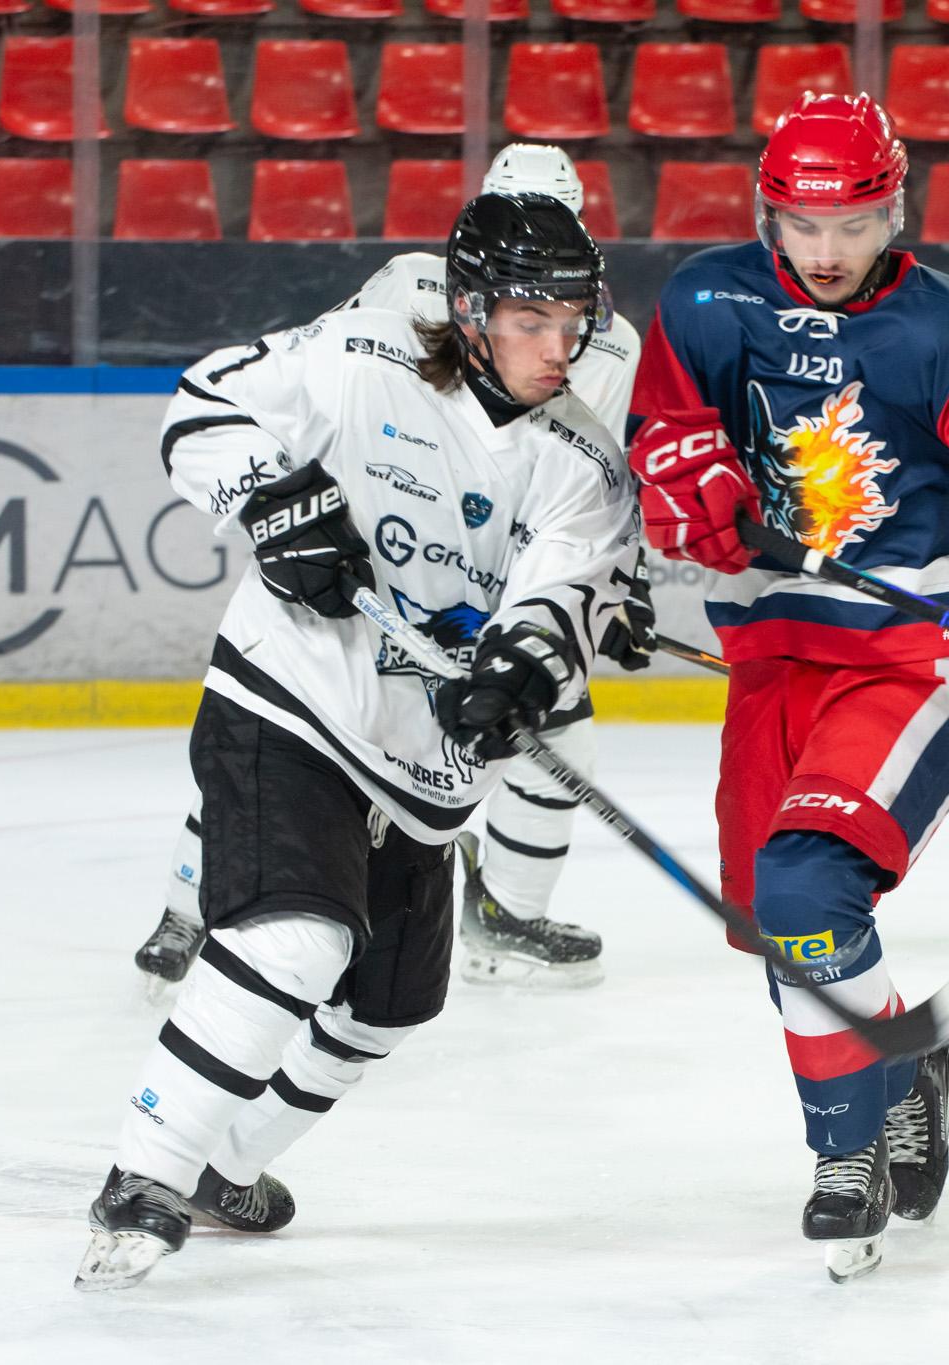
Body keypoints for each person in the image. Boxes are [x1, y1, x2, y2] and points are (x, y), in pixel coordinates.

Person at [75, 193, 639, 1289]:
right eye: (531, 319)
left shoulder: (585, 458)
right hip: (289, 701)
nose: (557, 346)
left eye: (573, 322)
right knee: (297, 939)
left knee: (386, 1004)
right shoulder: (356, 356)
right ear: (469, 311)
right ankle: (145, 1172)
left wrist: (519, 668)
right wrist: (274, 503)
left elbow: (565, 593)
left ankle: (222, 1166)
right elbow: (201, 407)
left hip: (422, 768)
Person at [625, 92, 949, 1281]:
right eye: (802, 224)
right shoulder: (704, 299)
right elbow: (663, 429)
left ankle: (848, 1157)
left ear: (896, 209)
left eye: (853, 223)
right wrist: (685, 484)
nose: (826, 253)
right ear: (766, 212)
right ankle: (903, 1057)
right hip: (773, 658)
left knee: (800, 885)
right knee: (779, 923)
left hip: (914, 660)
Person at [134, 143, 651, 994]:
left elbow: (592, 477)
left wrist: (600, 591)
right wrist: (289, 505)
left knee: (559, 735)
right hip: (376, 541)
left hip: (490, 578)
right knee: (295, 730)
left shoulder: (607, 336)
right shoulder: (412, 283)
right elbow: (332, 384)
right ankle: (189, 904)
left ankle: (508, 912)